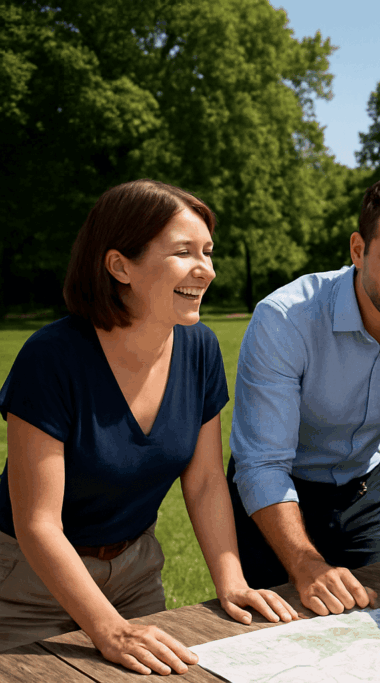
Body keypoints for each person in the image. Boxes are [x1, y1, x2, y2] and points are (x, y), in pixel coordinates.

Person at [0, 180, 296, 674]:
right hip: (28, 582)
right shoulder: (51, 358)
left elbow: (203, 483)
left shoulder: (199, 349)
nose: (206, 269)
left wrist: (232, 580)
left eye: (208, 251)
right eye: (184, 252)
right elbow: (38, 524)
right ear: (120, 266)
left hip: (136, 573)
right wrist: (109, 629)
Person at [227, 174, 380, 618]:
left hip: (363, 496)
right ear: (358, 249)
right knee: (276, 646)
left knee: (379, 631)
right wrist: (306, 564)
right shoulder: (285, 318)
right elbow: (262, 464)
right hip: (274, 501)